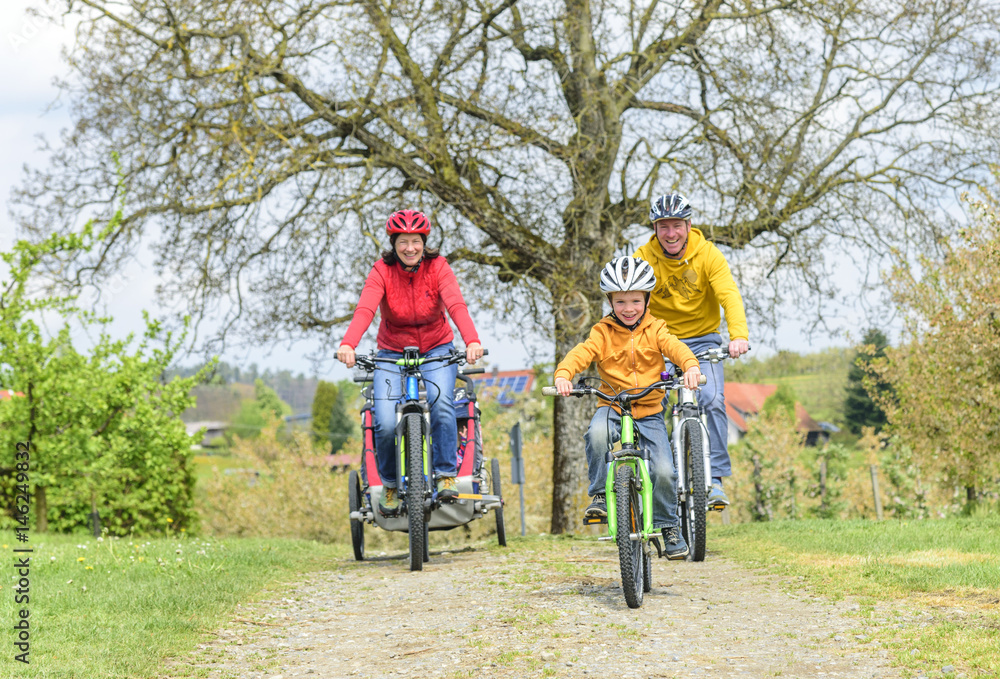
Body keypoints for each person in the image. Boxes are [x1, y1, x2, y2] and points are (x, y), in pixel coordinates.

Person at [552, 256, 702, 559]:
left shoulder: (656, 328)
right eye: (621, 302)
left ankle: (668, 524)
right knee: (596, 435)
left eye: (635, 300)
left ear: (646, 299)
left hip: (648, 411)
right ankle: (599, 496)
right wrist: (564, 374)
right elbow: (581, 353)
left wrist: (690, 366)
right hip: (612, 406)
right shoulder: (602, 331)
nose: (629, 308)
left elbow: (676, 347)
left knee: (663, 469)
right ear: (610, 301)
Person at [337, 209, 484, 516]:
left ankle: (446, 475)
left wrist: (471, 340)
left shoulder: (438, 267)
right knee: (386, 420)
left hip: (436, 348)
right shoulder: (381, 271)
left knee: (442, 404)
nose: (409, 248)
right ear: (394, 243)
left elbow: (456, 304)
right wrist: (348, 343)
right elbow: (365, 308)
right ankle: (390, 484)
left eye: (415, 241)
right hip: (391, 351)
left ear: (423, 241)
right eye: (403, 241)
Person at [635, 193, 750, 508]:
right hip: (659, 342)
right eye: (663, 227)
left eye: (676, 226)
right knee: (646, 403)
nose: (670, 234)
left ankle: (715, 479)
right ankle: (657, 475)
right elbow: (628, 299)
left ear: (688, 225)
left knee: (712, 399)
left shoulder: (708, 255)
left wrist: (738, 335)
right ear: (654, 229)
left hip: (703, 341)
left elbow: (729, 295)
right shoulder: (643, 257)